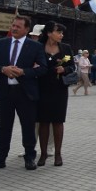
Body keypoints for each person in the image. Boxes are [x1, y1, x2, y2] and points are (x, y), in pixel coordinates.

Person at [0, 16, 48, 171]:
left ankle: (29, 158)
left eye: (18, 27)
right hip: (4, 92)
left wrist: (23, 72)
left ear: (27, 29)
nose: (14, 28)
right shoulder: (0, 44)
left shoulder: (35, 47)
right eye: (13, 25)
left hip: (25, 93)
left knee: (28, 126)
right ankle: (0, 159)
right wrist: (2, 69)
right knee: (3, 127)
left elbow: (43, 68)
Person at [36, 22, 75, 167]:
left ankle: (58, 154)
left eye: (62, 33)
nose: (61, 35)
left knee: (58, 121)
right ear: (49, 33)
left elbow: (72, 66)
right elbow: (31, 63)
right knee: (43, 121)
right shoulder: (38, 47)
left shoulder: (65, 48)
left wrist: (64, 70)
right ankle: (43, 153)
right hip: (42, 88)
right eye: (58, 32)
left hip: (59, 89)